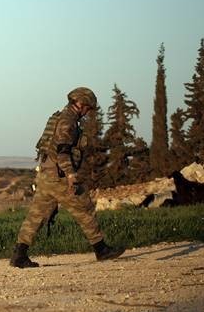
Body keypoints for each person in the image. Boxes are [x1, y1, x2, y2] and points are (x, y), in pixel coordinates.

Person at [10, 87, 124, 268]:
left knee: (36, 215)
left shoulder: (59, 117)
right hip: (60, 176)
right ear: (79, 104)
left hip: (46, 174)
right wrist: (71, 175)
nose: (88, 112)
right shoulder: (68, 122)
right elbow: (62, 151)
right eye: (87, 107)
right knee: (84, 208)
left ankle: (19, 255)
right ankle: (101, 249)